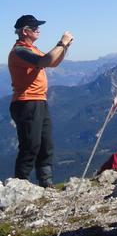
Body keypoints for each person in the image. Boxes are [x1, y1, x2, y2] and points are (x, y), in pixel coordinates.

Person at [8, 14, 74, 186]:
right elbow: (47, 60)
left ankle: (46, 184)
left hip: (38, 101)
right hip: (26, 102)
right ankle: (19, 185)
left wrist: (64, 47)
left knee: (45, 144)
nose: (38, 29)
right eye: (34, 27)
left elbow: (53, 62)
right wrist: (62, 43)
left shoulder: (31, 50)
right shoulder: (20, 51)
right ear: (24, 31)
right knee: (31, 145)